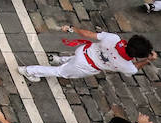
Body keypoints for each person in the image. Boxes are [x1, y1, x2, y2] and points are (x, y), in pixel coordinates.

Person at [19, 24, 153, 83]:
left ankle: (58, 59)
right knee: (60, 72)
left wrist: (72, 28)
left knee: (70, 62)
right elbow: (135, 68)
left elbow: (88, 34)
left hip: (83, 51)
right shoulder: (127, 66)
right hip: (86, 65)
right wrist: (147, 61)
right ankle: (29, 70)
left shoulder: (114, 38)